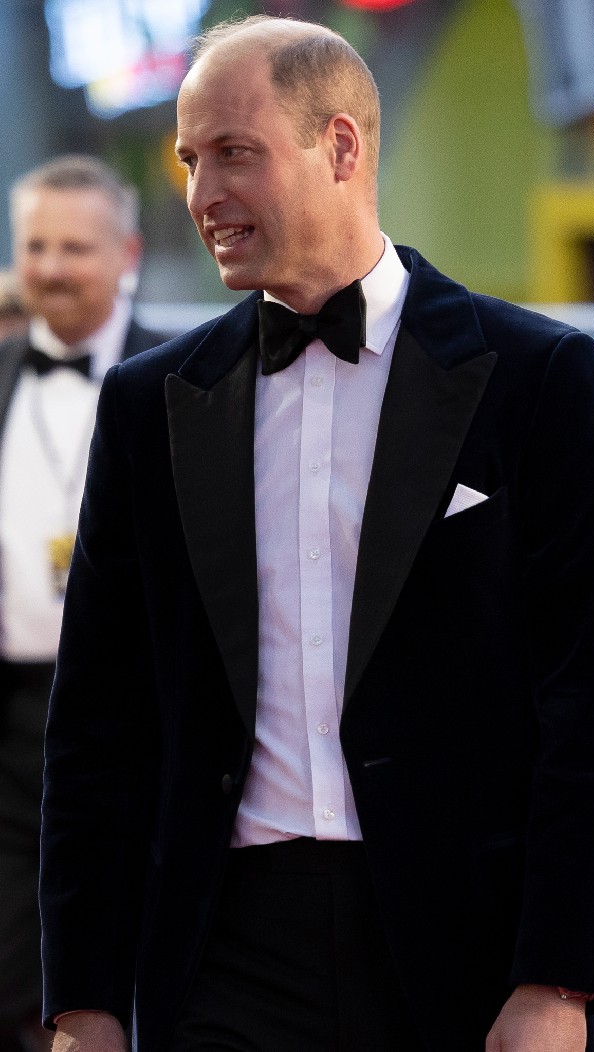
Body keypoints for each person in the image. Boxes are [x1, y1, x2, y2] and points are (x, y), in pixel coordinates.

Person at [40, 16, 594, 1052]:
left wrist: (561, 976)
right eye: (190, 161)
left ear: (340, 146)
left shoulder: (539, 378)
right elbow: (99, 721)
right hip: (222, 959)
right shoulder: (151, 406)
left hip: (472, 951)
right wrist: (85, 1000)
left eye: (235, 152)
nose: (202, 195)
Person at [0, 155, 164, 1052]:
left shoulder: (196, 378)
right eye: (35, 246)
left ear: (128, 253)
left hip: (147, 727)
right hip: (10, 732)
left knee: (134, 978)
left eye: (75, 246)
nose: (53, 267)